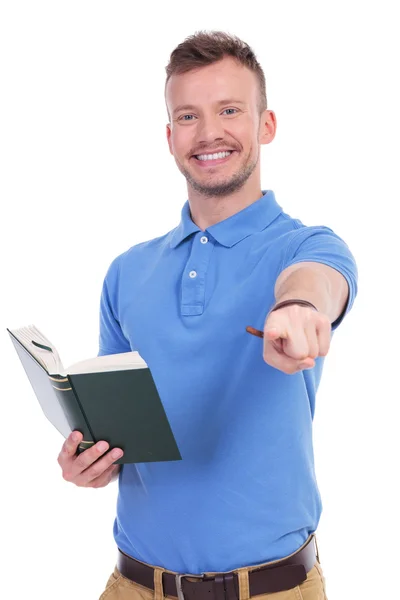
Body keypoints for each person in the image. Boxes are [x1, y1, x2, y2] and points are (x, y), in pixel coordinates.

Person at [58, 30, 358, 600]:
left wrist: (298, 308)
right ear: (170, 138)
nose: (210, 132)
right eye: (189, 116)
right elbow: (120, 429)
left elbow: (319, 282)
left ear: (265, 125)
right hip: (133, 586)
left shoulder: (306, 246)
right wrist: (90, 459)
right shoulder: (126, 272)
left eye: (229, 110)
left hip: (273, 592)